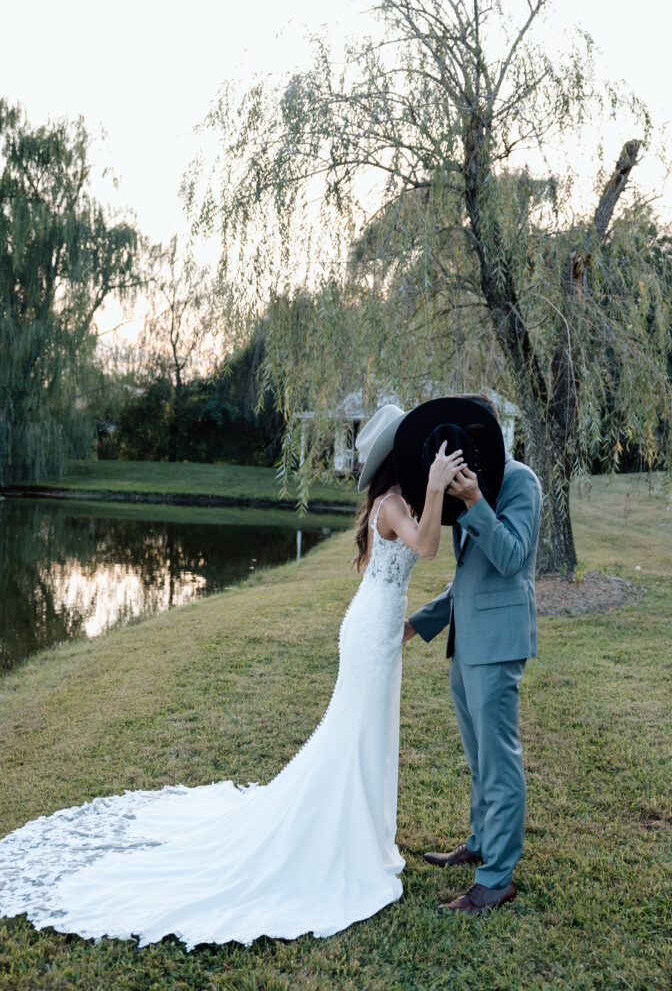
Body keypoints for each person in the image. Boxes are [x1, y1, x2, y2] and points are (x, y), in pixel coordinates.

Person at [0, 404, 459, 950]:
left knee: (367, 731)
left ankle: (361, 832)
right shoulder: (390, 504)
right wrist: (434, 488)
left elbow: (428, 539)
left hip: (378, 631)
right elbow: (427, 547)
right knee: (354, 732)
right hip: (368, 632)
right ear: (397, 459)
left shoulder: (398, 502)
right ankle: (343, 839)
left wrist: (442, 492)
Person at [401, 393, 542, 915]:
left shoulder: (520, 482)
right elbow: (468, 578)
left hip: (499, 643)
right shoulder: (469, 487)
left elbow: (509, 559)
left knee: (500, 760)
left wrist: (477, 501)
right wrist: (418, 624)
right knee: (479, 758)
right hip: (467, 643)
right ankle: (480, 842)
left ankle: (495, 879)